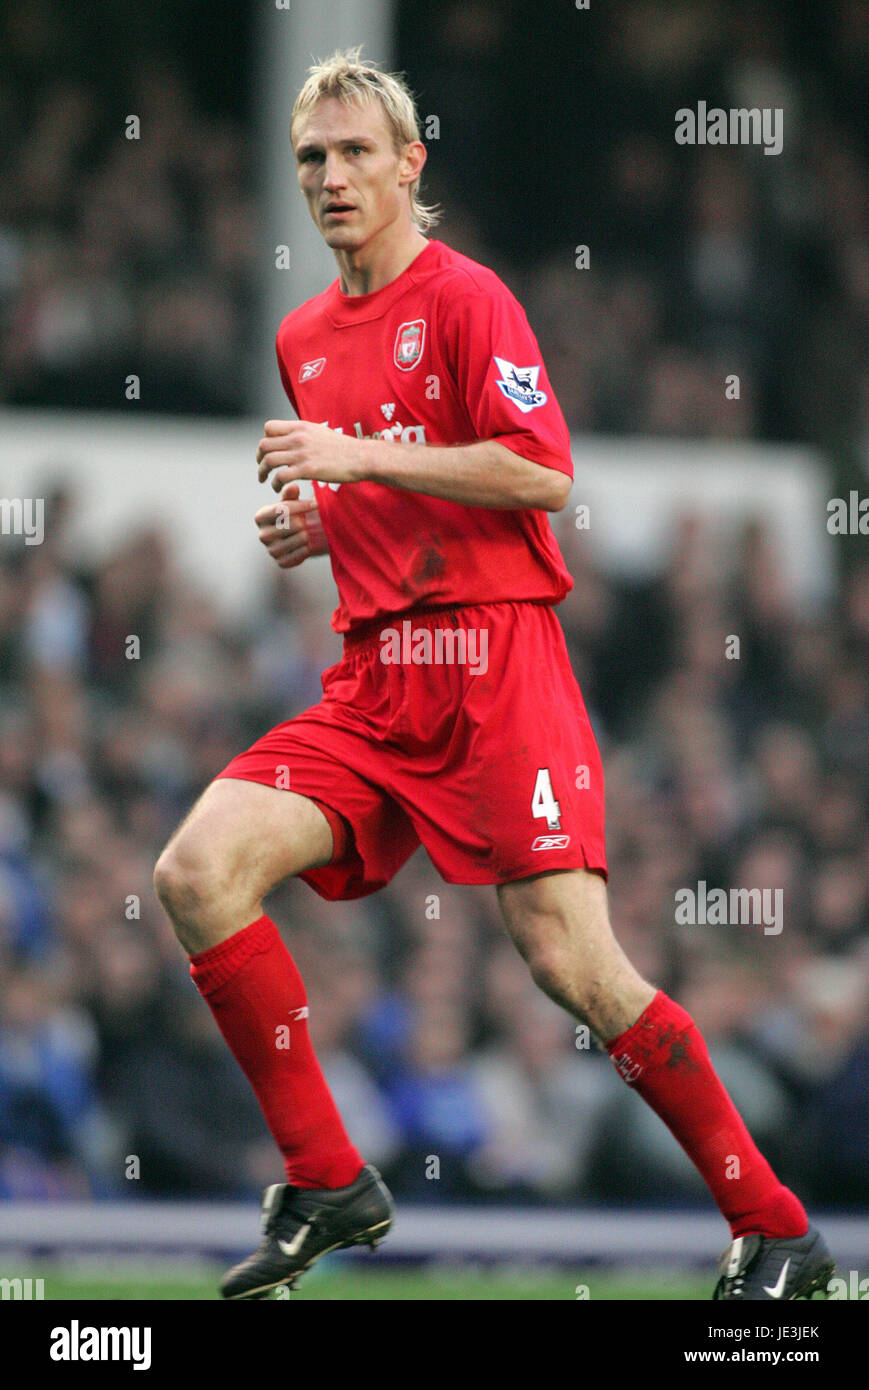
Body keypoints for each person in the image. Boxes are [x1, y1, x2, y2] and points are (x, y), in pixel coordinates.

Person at [153, 49, 832, 1301]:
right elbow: (395, 490)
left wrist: (355, 456)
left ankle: (772, 1221)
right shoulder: (303, 333)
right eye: (311, 155)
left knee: (570, 965)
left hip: (496, 667)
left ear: (411, 165)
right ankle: (326, 1179)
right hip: (376, 678)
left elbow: (541, 473)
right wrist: (328, 522)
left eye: (357, 151)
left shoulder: (469, 301)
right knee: (196, 871)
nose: (331, 175)